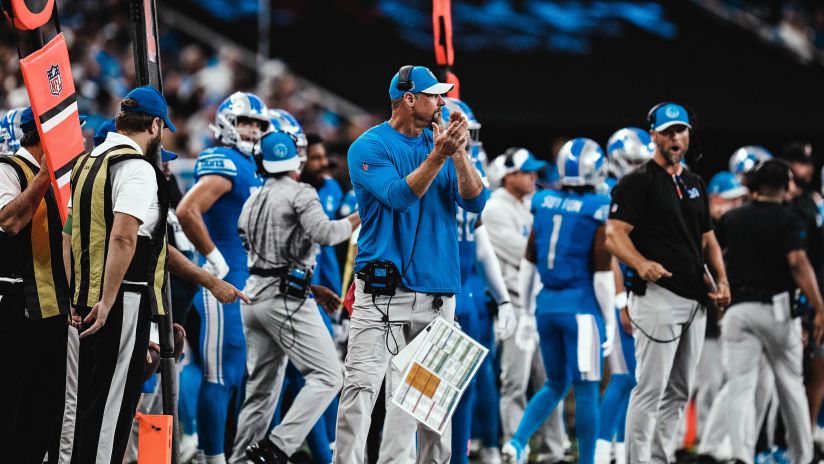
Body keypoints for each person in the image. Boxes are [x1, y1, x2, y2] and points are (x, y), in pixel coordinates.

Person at [69, 86, 247, 464]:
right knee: (111, 412)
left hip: (85, 300)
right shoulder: (137, 167)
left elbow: (70, 236)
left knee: (88, 407)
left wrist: (210, 281)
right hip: (119, 303)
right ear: (154, 124)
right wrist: (109, 300)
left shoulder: (86, 162)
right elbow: (123, 237)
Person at [333, 65, 486, 463]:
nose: (441, 101)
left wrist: (460, 156)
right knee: (361, 391)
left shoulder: (442, 143)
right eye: (434, 94)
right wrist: (439, 155)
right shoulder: (369, 146)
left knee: (432, 405)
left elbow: (475, 201)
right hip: (384, 292)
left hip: (438, 294)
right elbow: (399, 197)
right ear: (409, 99)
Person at [606, 102, 730, 464]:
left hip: (694, 300)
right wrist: (640, 263)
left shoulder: (694, 183)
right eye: (668, 131)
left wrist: (721, 280)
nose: (676, 137)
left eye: (681, 130)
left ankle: (660, 458)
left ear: (689, 135)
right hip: (657, 298)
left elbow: (707, 239)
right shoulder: (637, 183)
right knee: (649, 389)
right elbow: (614, 235)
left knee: (679, 390)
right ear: (654, 136)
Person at [230, 129, 360, 464]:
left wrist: (307, 283)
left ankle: (243, 460)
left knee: (260, 391)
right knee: (329, 375)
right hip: (285, 299)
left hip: (254, 296)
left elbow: (253, 246)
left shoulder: (253, 197)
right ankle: (278, 447)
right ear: (295, 162)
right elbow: (327, 234)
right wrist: (365, 213)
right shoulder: (301, 192)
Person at [501, 138, 616, 464]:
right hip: (581, 309)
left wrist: (525, 311)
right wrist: (607, 318)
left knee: (554, 383)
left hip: (546, 306)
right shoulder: (596, 209)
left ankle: (518, 442)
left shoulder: (543, 200)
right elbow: (602, 275)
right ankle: (588, 460)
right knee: (587, 390)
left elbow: (529, 262)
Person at [176, 91, 270, 462]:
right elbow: (187, 210)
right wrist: (215, 262)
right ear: (228, 123)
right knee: (220, 373)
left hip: (249, 282)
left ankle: (228, 451)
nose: (250, 129)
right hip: (225, 283)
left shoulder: (252, 166)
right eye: (245, 121)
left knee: (239, 375)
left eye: (256, 124)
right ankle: (210, 456)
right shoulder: (224, 160)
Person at [711, 159, 824, 464]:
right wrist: (819, 305)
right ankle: (802, 455)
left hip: (738, 309)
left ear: (755, 186)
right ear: (787, 185)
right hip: (776, 309)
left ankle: (741, 456)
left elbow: (708, 250)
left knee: (740, 387)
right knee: (791, 385)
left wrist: (718, 285)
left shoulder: (733, 218)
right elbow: (797, 261)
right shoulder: (790, 219)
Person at [482, 147, 570, 462]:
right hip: (515, 308)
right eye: (526, 171)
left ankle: (554, 450)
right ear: (507, 175)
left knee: (551, 381)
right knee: (515, 382)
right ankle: (512, 447)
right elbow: (528, 254)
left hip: (539, 306)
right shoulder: (494, 208)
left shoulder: (531, 204)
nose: (533, 176)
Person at [0, 107, 76, 463]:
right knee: (11, 407)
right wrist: (44, 174)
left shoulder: (65, 177)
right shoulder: (8, 168)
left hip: (54, 307)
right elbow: (10, 222)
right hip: (16, 305)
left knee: (46, 410)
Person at [594, 126, 653, 464]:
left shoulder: (637, 191)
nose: (636, 167)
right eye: (631, 161)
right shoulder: (609, 194)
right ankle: (603, 448)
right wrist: (619, 301)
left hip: (627, 290)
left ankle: (615, 444)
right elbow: (611, 254)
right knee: (624, 376)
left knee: (631, 378)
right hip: (610, 292)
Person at [301, 133, 345, 293]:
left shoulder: (332, 186)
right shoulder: (292, 192)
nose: (324, 163)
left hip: (329, 272)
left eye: (324, 157)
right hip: (302, 274)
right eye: (316, 158)